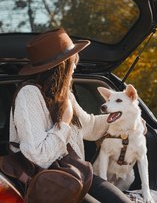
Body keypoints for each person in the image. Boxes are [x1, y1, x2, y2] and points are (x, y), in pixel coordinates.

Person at [9, 28, 132, 203]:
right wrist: (64, 122)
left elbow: (89, 126)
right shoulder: (29, 95)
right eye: (73, 62)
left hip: (75, 172)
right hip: (49, 179)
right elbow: (39, 157)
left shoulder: (65, 95)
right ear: (61, 66)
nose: (75, 66)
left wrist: (123, 117)